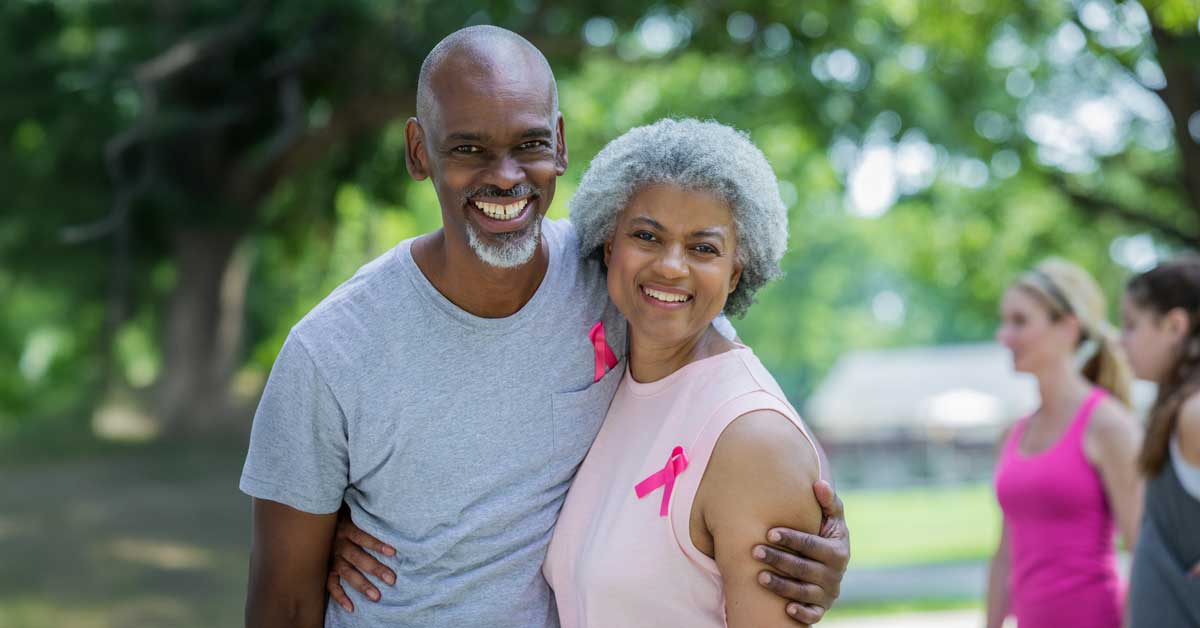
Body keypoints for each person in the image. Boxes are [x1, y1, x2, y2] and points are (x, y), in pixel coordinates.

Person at [241, 26, 848, 628]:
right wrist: (327, 528)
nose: (505, 177)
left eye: (528, 144)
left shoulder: (617, 281)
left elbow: (720, 389)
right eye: (468, 149)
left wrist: (812, 535)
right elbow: (283, 602)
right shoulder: (330, 353)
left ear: (559, 144)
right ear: (419, 151)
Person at [539, 118, 825, 627]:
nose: (672, 266)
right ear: (610, 246)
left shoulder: (754, 438)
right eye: (647, 236)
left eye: (703, 248)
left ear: (736, 271)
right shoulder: (605, 384)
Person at [985, 259, 1143, 628]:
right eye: (1004, 321)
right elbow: (1005, 553)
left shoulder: (1110, 427)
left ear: (1068, 327)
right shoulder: (1014, 434)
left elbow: (1143, 551)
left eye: (1020, 321)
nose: (1004, 335)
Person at [1120, 258, 1200, 626]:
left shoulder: (1193, 413)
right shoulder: (1175, 409)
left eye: (1131, 325)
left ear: (1174, 326)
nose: (1122, 341)